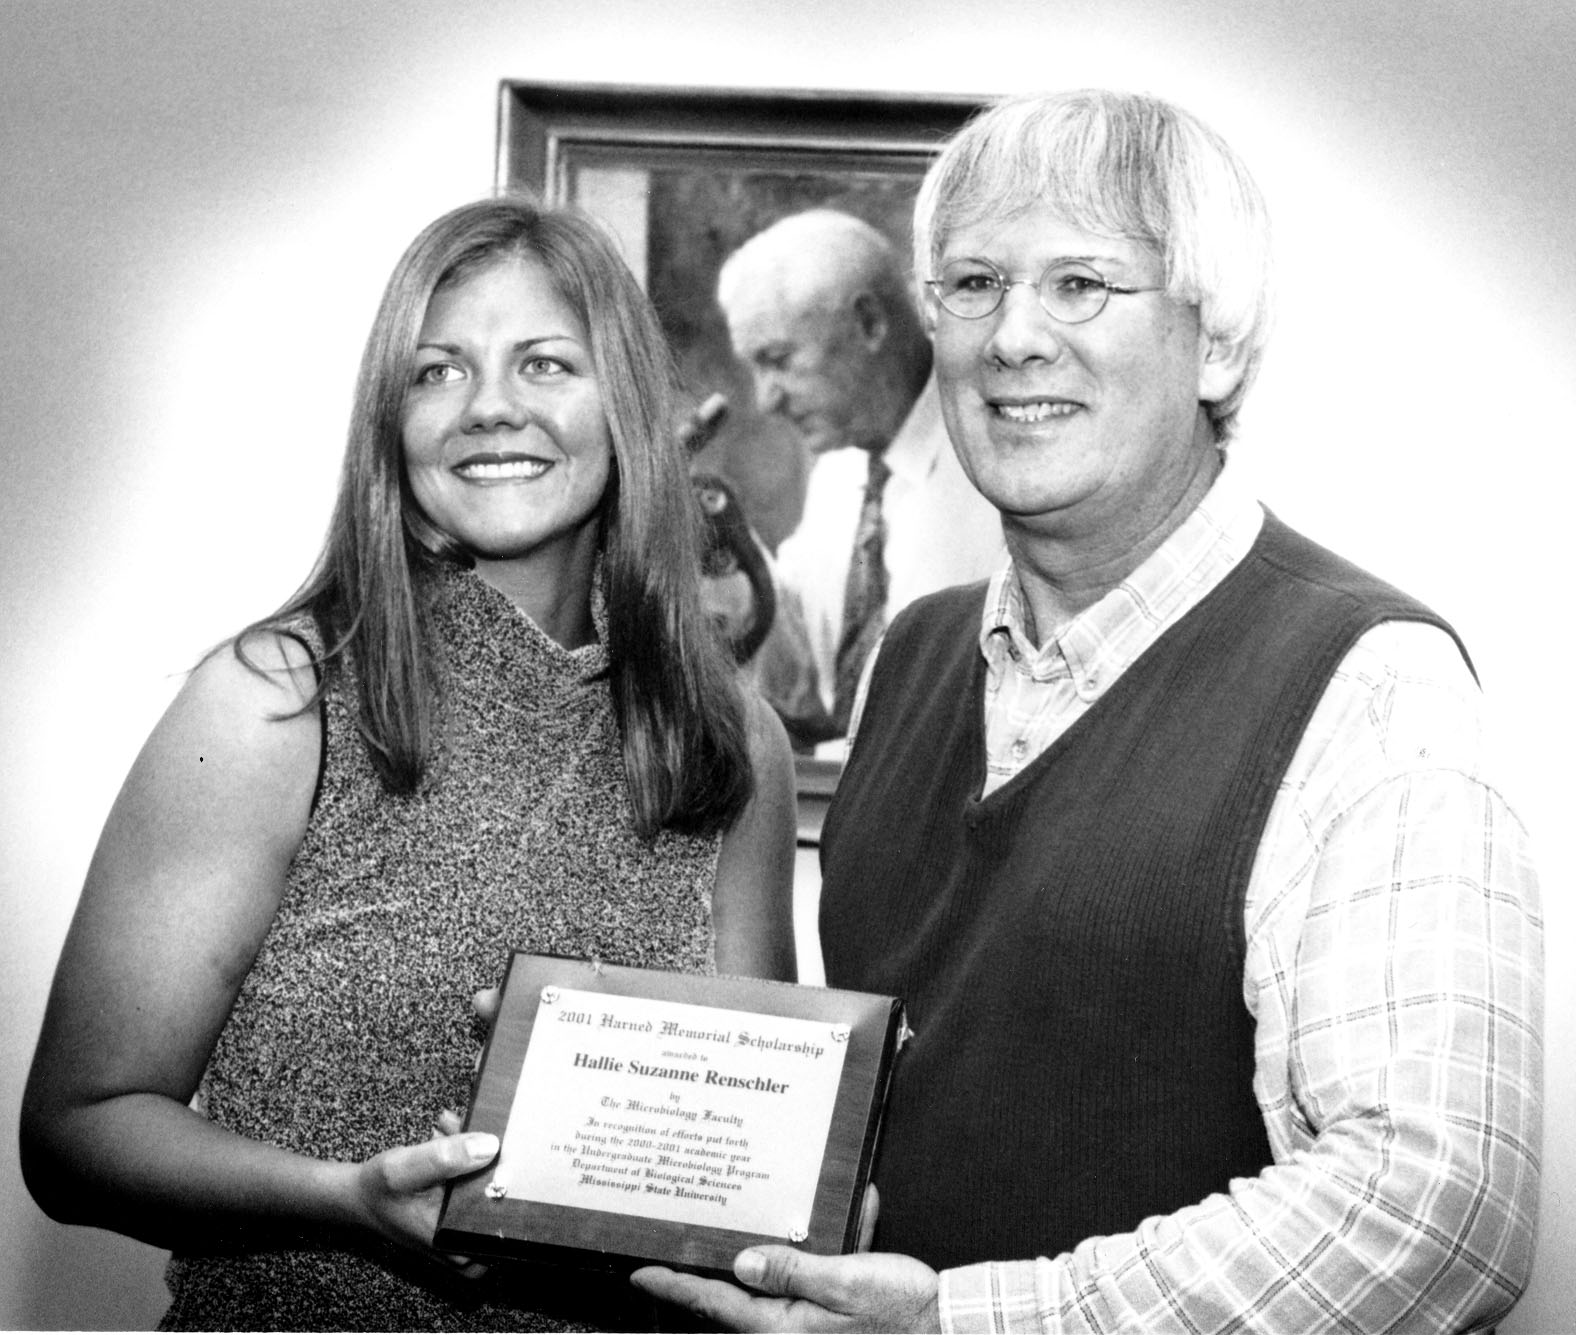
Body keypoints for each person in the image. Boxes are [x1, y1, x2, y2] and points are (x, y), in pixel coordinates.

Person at [631, 90, 1544, 1333]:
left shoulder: (1373, 684)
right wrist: (601, 1083)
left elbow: (1429, 1215)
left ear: (1218, 344)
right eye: (970, 283)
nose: (1011, 337)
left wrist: (965, 1324)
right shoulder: (913, 657)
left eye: (1080, 285)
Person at [20, 195, 797, 1332]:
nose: (488, 408)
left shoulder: (729, 737)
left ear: (626, 402)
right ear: (390, 421)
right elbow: (79, 1131)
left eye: (543, 363)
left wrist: (812, 1175)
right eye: (435, 372)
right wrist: (344, 1200)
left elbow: (750, 1164)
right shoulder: (279, 701)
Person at [716, 209, 1003, 743]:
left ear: (869, 323)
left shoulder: (999, 466)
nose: (765, 399)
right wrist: (729, 566)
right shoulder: (839, 469)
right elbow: (802, 684)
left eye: (778, 359)